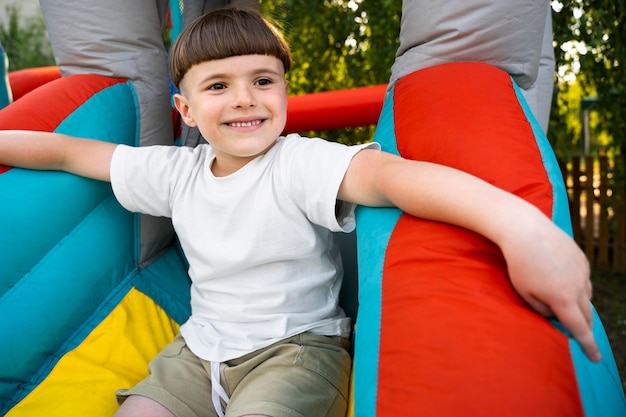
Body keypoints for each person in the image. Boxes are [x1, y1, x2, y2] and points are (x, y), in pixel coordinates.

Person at [0, 8, 598, 417]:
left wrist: (519, 225)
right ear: (183, 108)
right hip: (197, 349)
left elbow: (394, 178)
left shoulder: (298, 163)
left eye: (263, 79)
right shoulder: (176, 172)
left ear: (285, 90)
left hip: (297, 350)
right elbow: (69, 150)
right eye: (218, 86)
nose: (244, 99)